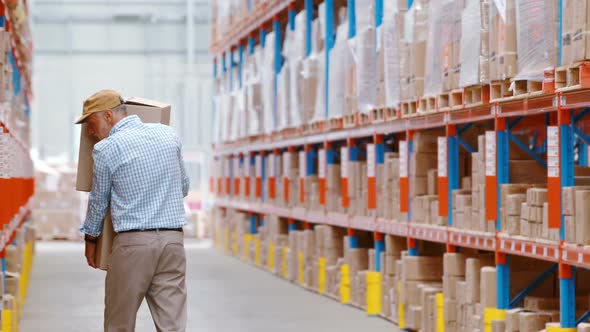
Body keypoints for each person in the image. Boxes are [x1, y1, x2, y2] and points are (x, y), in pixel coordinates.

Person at [75, 89, 189, 332]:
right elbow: (184, 186)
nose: (91, 133)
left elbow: (98, 202)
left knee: (119, 323)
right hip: (173, 243)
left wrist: (90, 239)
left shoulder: (106, 149)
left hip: (133, 245)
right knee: (173, 325)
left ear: (108, 116)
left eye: (91, 124)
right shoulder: (169, 135)